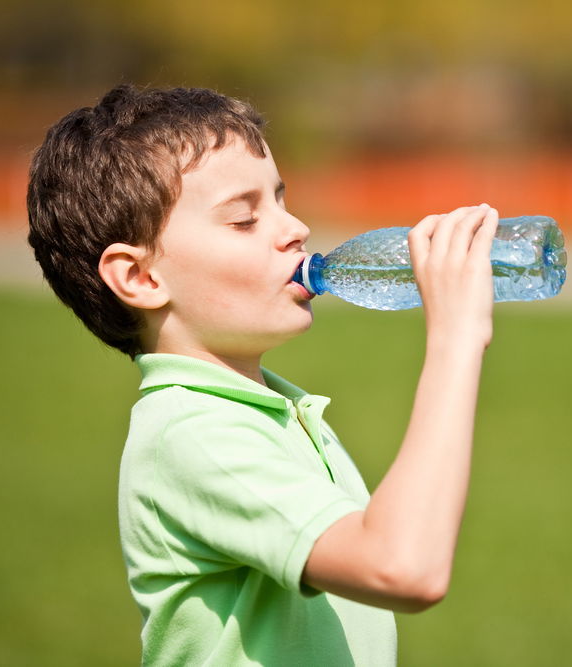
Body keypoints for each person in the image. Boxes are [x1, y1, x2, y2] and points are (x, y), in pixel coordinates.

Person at [27, 84, 498, 666]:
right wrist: (454, 337)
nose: (295, 228)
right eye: (244, 219)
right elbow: (401, 567)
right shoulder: (195, 434)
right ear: (140, 278)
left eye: (280, 199)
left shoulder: (272, 411)